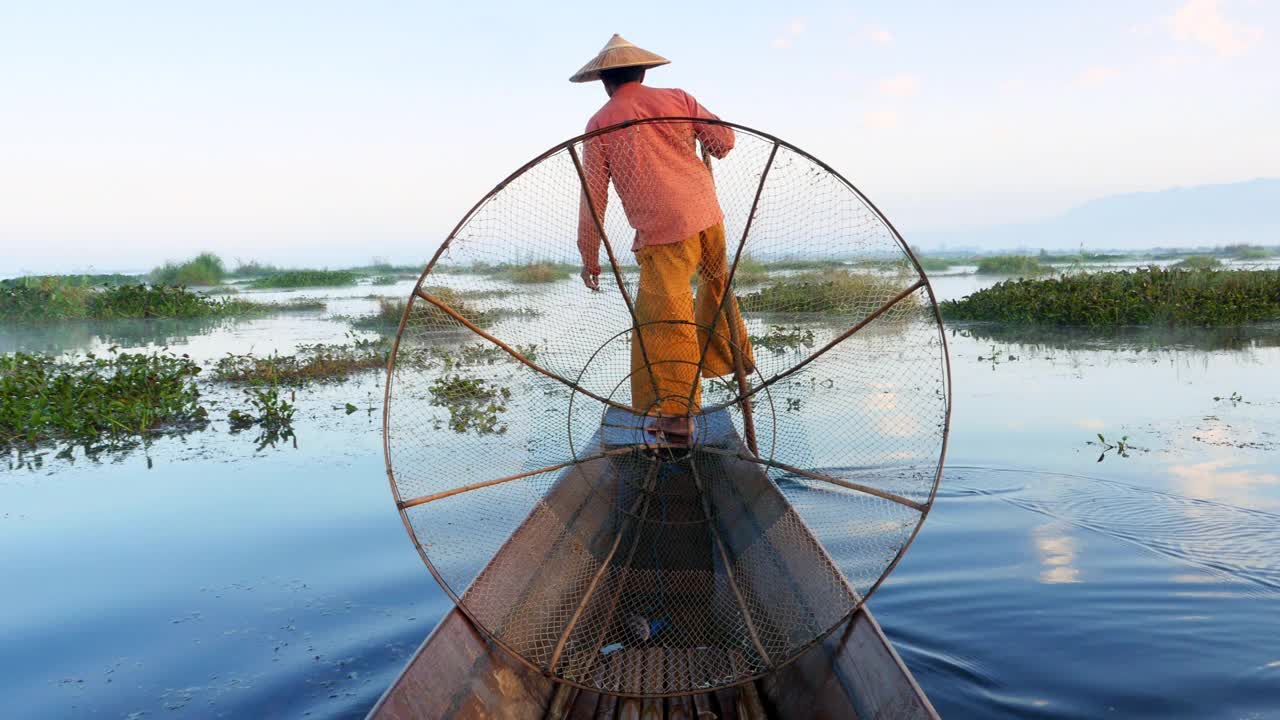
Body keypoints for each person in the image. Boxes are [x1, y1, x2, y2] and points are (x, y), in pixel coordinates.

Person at [570, 34, 754, 446]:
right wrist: (692, 134)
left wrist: (590, 256)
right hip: (707, 216)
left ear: (605, 81)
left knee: (665, 322)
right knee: (715, 285)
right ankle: (731, 359)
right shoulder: (678, 98)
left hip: (662, 233)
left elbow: (593, 196)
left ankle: (674, 419)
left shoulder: (600, 123)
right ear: (642, 72)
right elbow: (723, 142)